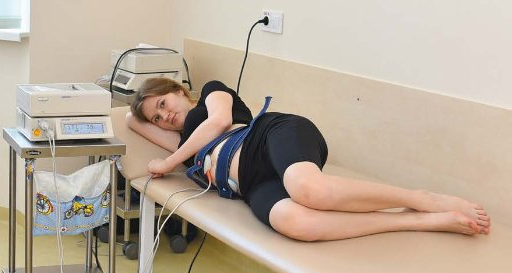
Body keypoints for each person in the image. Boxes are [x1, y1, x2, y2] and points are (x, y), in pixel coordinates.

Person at [125, 77, 491, 241]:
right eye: (157, 117)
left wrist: (169, 163)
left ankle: (420, 199)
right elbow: (130, 119)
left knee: (307, 189)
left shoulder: (211, 93)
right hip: (253, 184)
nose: (164, 116)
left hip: (269, 137)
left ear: (179, 90)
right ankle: (415, 221)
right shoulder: (183, 142)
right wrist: (144, 114)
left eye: (164, 103)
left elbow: (220, 122)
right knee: (296, 223)